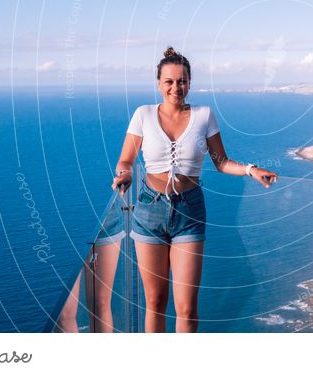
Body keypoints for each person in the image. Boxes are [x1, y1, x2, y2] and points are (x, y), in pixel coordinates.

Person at [112, 46, 278, 333]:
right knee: (155, 301)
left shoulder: (204, 115)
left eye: (182, 81)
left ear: (189, 82)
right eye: (169, 81)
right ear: (158, 84)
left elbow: (222, 162)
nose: (176, 87)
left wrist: (251, 170)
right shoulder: (143, 114)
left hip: (189, 210)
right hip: (149, 209)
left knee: (187, 307)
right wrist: (125, 175)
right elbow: (126, 160)